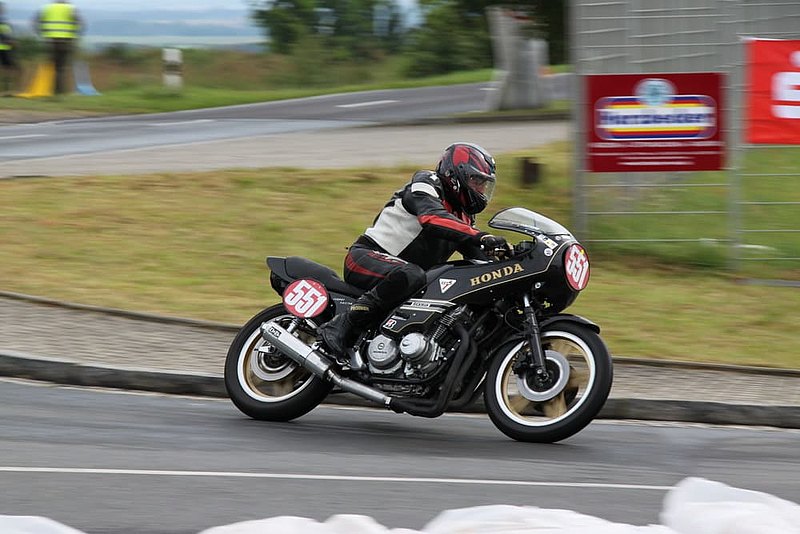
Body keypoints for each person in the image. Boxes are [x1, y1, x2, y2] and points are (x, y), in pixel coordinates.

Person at [319, 142, 511, 356]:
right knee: (412, 274)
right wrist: (481, 236)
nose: (481, 190)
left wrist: (511, 262)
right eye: (476, 181)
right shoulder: (427, 182)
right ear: (455, 174)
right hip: (365, 257)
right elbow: (432, 217)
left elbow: (482, 263)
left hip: (406, 278)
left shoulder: (464, 217)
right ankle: (340, 324)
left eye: (484, 184)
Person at [34, 0, 82, 95]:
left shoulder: (47, 8)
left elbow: (36, 23)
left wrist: (43, 35)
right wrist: (73, 36)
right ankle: (59, 90)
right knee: (61, 67)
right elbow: (78, 24)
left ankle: (48, 89)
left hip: (50, 41)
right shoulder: (71, 8)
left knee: (51, 65)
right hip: (65, 42)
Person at [0, 1, 20, 96]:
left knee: (7, 68)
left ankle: (6, 89)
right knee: (11, 68)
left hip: (4, 47)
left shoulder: (3, 21)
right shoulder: (2, 21)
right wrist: (11, 41)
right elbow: (4, 34)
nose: (3, 9)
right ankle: (8, 89)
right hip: (4, 48)